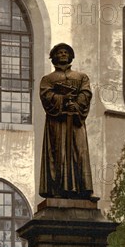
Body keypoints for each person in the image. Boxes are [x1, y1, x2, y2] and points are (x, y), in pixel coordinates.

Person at [39, 43, 94, 200]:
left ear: (70, 56)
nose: (63, 54)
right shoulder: (48, 79)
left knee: (80, 152)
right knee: (58, 153)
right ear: (54, 57)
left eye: (66, 52)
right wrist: (63, 99)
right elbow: (46, 96)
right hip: (57, 123)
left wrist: (76, 105)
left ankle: (83, 189)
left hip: (75, 121)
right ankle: (58, 189)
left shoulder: (81, 77)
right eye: (59, 52)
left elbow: (86, 93)